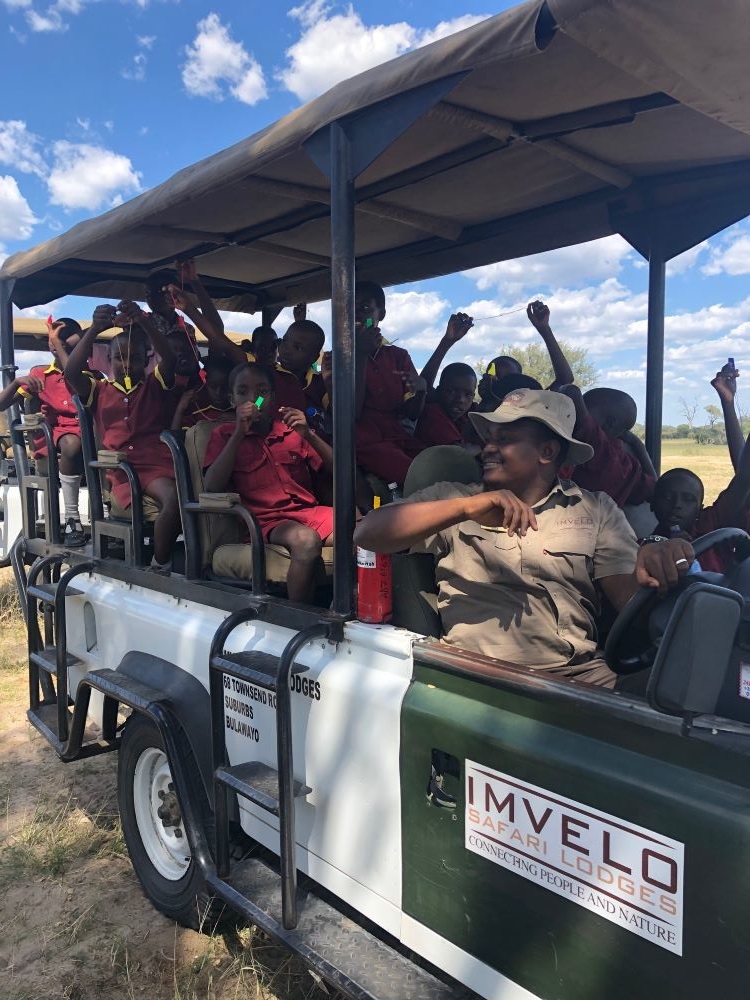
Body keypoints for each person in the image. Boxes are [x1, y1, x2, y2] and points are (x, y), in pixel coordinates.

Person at [354, 388, 693, 688]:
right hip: (477, 673)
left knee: (687, 700)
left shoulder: (594, 508)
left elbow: (628, 601)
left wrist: (653, 557)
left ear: (546, 452)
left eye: (504, 439)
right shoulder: (455, 499)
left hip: (577, 676)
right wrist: (468, 507)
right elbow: (369, 533)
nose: (487, 447)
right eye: (489, 437)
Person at [65, 301, 182, 575]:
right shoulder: (99, 389)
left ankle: (160, 563)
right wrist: (94, 328)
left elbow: (171, 359)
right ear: (110, 360)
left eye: (134, 357)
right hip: (121, 471)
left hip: (154, 466)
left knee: (174, 499)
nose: (127, 364)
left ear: (146, 358)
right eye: (119, 357)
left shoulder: (155, 385)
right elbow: (71, 372)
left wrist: (143, 321)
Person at [203, 363, 334, 603]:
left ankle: (354, 606)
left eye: (261, 392)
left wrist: (310, 435)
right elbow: (211, 486)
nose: (253, 399)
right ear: (232, 400)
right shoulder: (223, 435)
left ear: (272, 398)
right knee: (306, 540)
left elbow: (339, 470)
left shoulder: (292, 431)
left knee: (364, 528)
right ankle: (297, 618)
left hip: (309, 512)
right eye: (243, 392)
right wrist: (239, 433)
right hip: (266, 521)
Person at [325, 280, 425, 488]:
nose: (357, 315)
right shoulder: (334, 359)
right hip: (362, 441)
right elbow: (352, 413)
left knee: (435, 463)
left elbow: (412, 412)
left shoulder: (398, 356)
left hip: (396, 436)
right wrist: (360, 353)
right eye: (350, 309)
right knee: (416, 476)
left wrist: (421, 391)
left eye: (365, 309)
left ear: (381, 314)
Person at [0, 317, 91, 546]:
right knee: (71, 444)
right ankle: (72, 517)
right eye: (60, 345)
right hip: (55, 436)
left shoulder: (90, 376)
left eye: (71, 347)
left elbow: (73, 374)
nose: (63, 350)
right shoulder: (40, 376)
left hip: (90, 434)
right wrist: (16, 383)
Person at [559, 384, 656, 507]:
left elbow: (572, 392)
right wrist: (638, 445)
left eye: (585, 408)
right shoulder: (627, 466)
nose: (572, 413)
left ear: (609, 423)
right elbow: (654, 488)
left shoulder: (596, 444)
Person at [477, 301, 574, 410]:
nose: (499, 382)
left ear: (521, 381)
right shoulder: (471, 411)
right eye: (492, 376)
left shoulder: (532, 407)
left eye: (510, 378)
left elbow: (565, 380)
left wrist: (545, 330)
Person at [414, 363, 480, 450]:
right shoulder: (432, 414)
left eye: (468, 394)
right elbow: (459, 452)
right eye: (451, 391)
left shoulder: (470, 413)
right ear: (438, 391)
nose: (460, 400)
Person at [171, 354, 234, 430]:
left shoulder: (239, 409)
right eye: (213, 386)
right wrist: (180, 409)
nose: (218, 392)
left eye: (225, 387)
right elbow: (175, 436)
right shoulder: (197, 412)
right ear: (205, 383)